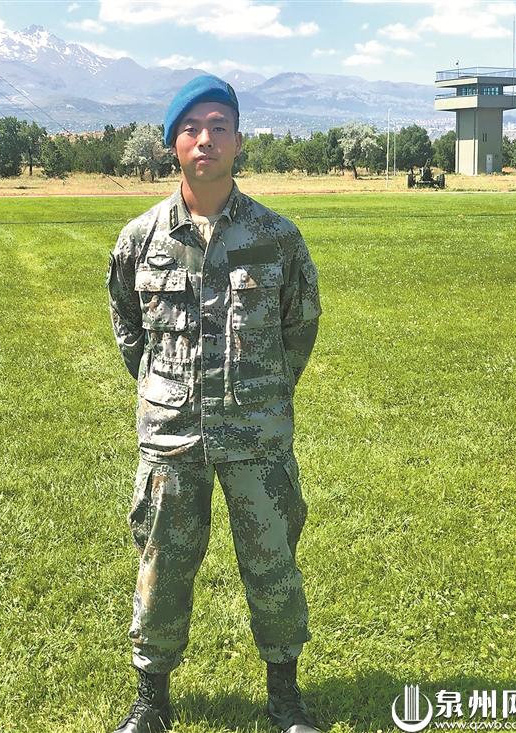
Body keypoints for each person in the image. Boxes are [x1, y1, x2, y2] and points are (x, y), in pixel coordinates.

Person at [107, 74, 322, 733]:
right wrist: (167, 391)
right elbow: (129, 332)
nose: (206, 139)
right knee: (163, 566)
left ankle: (285, 698)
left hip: (256, 436)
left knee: (272, 563)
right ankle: (152, 701)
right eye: (192, 128)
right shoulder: (140, 240)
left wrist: (263, 392)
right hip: (171, 438)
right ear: (173, 144)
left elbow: (299, 327)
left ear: (238, 141)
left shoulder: (276, 237)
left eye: (219, 127)